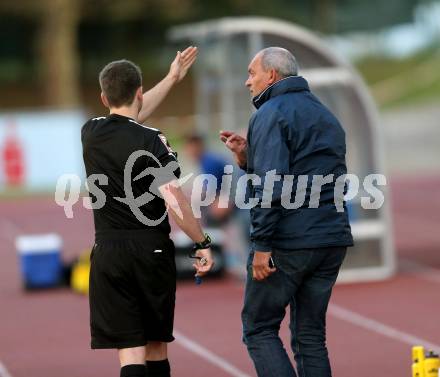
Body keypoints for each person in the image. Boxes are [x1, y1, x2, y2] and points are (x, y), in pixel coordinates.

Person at [220, 47, 353, 377]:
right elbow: (305, 170)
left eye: (251, 73)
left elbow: (271, 186)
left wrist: (262, 246)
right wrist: (248, 158)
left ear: (272, 75)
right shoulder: (325, 113)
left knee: (259, 329)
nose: (246, 81)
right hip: (330, 237)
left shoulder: (269, 113)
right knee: (310, 336)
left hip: (289, 240)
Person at [81, 47, 214, 377]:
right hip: (150, 250)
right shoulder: (153, 141)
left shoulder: (91, 133)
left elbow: (127, 119)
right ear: (139, 91)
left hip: (109, 251)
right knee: (156, 345)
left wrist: (171, 79)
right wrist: (201, 241)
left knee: (129, 351)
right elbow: (175, 201)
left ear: (102, 97)